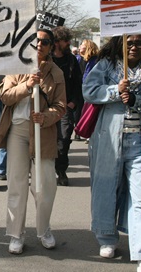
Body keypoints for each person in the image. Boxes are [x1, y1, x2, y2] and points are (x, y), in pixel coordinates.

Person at [83, 34, 141, 271]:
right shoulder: (106, 65)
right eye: (129, 43)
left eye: (139, 43)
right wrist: (115, 90)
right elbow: (89, 90)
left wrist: (138, 99)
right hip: (108, 140)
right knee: (106, 188)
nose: (134, 47)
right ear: (120, 44)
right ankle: (106, 237)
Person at [0, 29, 66, 254]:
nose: (40, 45)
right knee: (16, 183)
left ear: (51, 46)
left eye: (45, 41)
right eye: (36, 41)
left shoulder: (56, 73)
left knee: (44, 185)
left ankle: (44, 229)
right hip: (18, 130)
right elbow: (5, 96)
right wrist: (27, 85)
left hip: (43, 132)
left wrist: (46, 117)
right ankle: (16, 233)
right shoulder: (16, 66)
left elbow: (61, 106)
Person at [52, 26, 82, 186]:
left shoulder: (71, 60)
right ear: (57, 42)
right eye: (65, 40)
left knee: (64, 139)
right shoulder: (47, 59)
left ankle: (61, 169)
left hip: (65, 107)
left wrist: (73, 103)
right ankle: (46, 171)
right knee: (47, 139)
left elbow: (78, 83)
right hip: (47, 106)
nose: (69, 42)